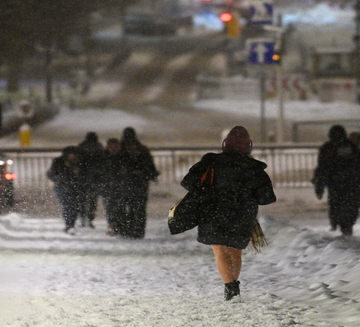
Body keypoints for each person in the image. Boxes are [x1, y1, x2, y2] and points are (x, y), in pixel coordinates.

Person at [181, 126, 276, 301]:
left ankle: (231, 287)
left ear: (225, 144)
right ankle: (233, 285)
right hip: (243, 215)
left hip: (213, 212)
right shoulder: (254, 168)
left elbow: (188, 182)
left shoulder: (211, 162)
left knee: (220, 250)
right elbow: (266, 198)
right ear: (248, 146)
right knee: (235, 251)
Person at [312, 125, 360, 236]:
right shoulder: (348, 146)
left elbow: (322, 166)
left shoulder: (327, 147)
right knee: (346, 204)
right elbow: (358, 163)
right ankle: (345, 224)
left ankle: (339, 222)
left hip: (339, 180)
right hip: (346, 180)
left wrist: (319, 182)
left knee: (337, 203)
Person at [112, 127, 158, 238]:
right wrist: (144, 174)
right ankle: (138, 231)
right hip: (139, 184)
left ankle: (123, 230)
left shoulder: (119, 151)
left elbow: (113, 168)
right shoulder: (142, 150)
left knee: (122, 208)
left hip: (124, 184)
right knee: (139, 209)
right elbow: (150, 167)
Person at [71, 132, 111, 229]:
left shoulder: (80, 147)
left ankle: (82, 218)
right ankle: (90, 219)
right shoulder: (99, 147)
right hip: (95, 178)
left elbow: (76, 161)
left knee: (81, 199)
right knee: (92, 201)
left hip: (82, 178)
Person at [46, 146, 83, 232]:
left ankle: (71, 223)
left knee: (75, 207)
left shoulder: (80, 163)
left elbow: (84, 175)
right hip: (62, 188)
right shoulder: (58, 162)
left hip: (76, 188)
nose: (72, 156)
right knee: (67, 206)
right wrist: (60, 179)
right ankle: (68, 224)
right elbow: (51, 174)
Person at [103, 137, 123, 235]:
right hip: (108, 187)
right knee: (110, 207)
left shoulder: (122, 157)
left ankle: (117, 226)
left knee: (119, 206)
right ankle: (112, 225)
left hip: (119, 186)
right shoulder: (103, 157)